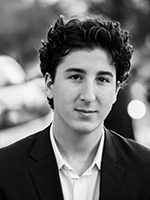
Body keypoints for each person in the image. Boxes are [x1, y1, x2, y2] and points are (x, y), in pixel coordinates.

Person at [0, 12, 150, 200]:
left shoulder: (144, 170)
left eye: (102, 79)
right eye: (76, 77)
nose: (88, 96)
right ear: (49, 85)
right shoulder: (5, 171)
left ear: (116, 91)